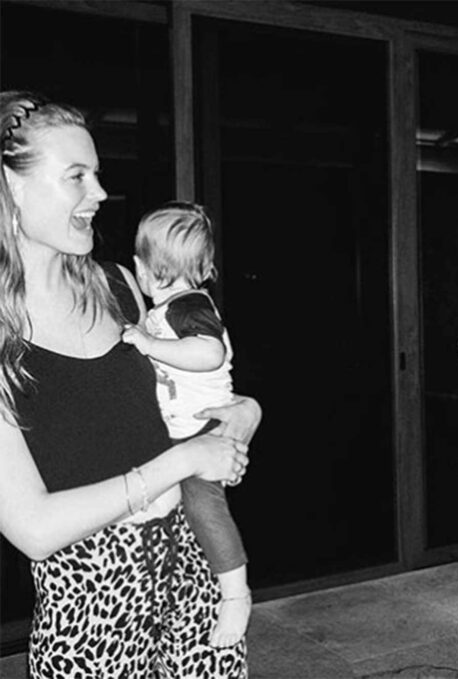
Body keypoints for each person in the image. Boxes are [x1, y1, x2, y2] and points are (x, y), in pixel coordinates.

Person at [0, 90, 260, 677]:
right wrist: (181, 461)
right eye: (76, 176)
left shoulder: (118, 286)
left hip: (192, 568)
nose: (98, 193)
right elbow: (34, 529)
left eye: (97, 174)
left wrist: (243, 412)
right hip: (91, 603)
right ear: (12, 187)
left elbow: (173, 398)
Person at [121, 201, 251, 647]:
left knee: (202, 504)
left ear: (143, 269)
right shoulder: (173, 308)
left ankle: (235, 594)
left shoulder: (187, 305)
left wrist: (150, 345)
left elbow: (210, 353)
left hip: (202, 426)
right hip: (182, 428)